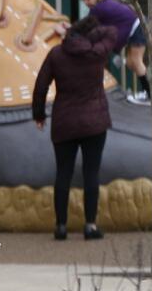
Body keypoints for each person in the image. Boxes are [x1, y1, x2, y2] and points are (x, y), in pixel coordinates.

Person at [32, 14, 118, 241]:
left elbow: (41, 86)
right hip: (95, 122)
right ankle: (90, 226)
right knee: (91, 173)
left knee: (63, 173)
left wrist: (38, 115)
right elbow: (112, 31)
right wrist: (85, 31)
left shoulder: (56, 54)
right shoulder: (96, 53)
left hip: (64, 122)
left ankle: (61, 226)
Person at [80, 0, 150, 103]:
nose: (86, 2)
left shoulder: (98, 9)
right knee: (130, 63)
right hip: (139, 26)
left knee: (136, 61)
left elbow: (87, 27)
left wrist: (70, 32)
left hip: (138, 27)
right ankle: (147, 91)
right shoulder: (106, 3)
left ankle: (149, 94)